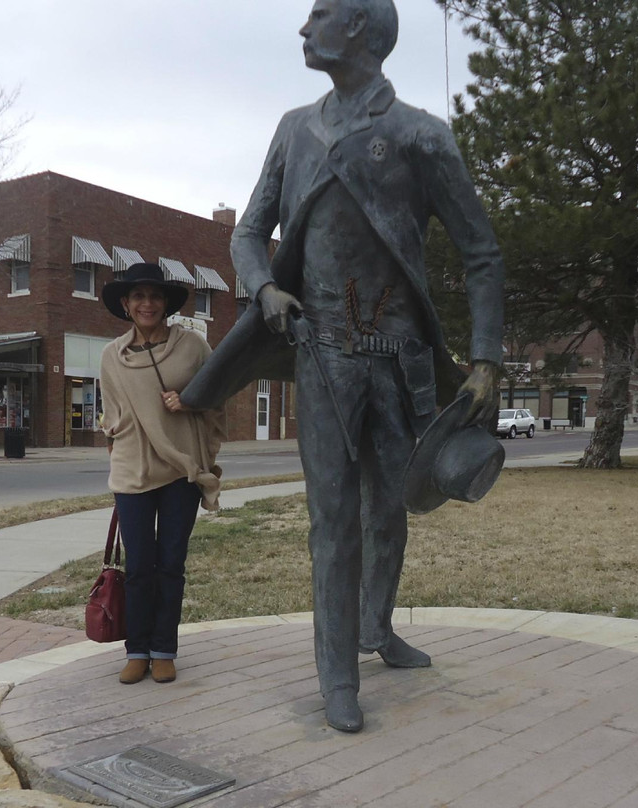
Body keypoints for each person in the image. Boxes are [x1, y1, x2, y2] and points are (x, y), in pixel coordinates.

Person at [181, 0, 505, 732]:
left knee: (391, 509)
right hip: (321, 351)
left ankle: (375, 629)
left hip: (400, 360)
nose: (304, 27)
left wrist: (485, 357)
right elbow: (250, 232)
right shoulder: (295, 129)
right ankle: (336, 677)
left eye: (320, 13)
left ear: (359, 27)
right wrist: (264, 289)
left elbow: (483, 254)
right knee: (332, 515)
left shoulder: (422, 135)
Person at [99, 263, 224, 686]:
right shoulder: (111, 356)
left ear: (166, 303)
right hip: (133, 471)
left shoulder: (193, 346)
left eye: (154, 296)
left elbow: (218, 392)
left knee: (170, 563)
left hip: (180, 470)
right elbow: (111, 414)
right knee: (139, 566)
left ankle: (164, 650)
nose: (147, 303)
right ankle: (137, 650)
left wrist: (189, 402)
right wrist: (114, 439)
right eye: (138, 297)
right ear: (126, 305)